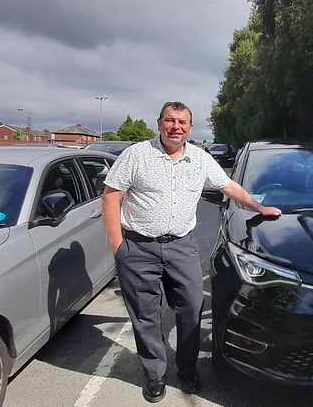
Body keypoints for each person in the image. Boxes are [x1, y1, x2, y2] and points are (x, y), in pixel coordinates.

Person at [101, 101, 281, 403]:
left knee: (191, 310)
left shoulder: (200, 158)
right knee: (145, 316)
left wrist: (259, 207)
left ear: (190, 128)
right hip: (138, 248)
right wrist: (120, 248)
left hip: (181, 247)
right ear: (159, 123)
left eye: (182, 122)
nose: (176, 127)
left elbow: (229, 188)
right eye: (170, 121)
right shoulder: (136, 155)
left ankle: (186, 371)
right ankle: (154, 375)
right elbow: (111, 198)